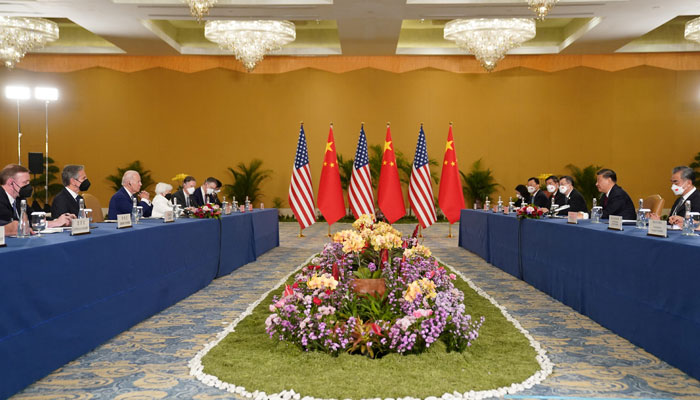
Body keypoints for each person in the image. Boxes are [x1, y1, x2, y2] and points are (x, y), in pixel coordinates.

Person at [0, 164, 73, 231]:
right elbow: (9, 225)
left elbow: (34, 217)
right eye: (25, 182)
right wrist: (54, 223)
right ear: (11, 183)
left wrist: (61, 220)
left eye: (29, 183)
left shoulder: (20, 199)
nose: (28, 186)